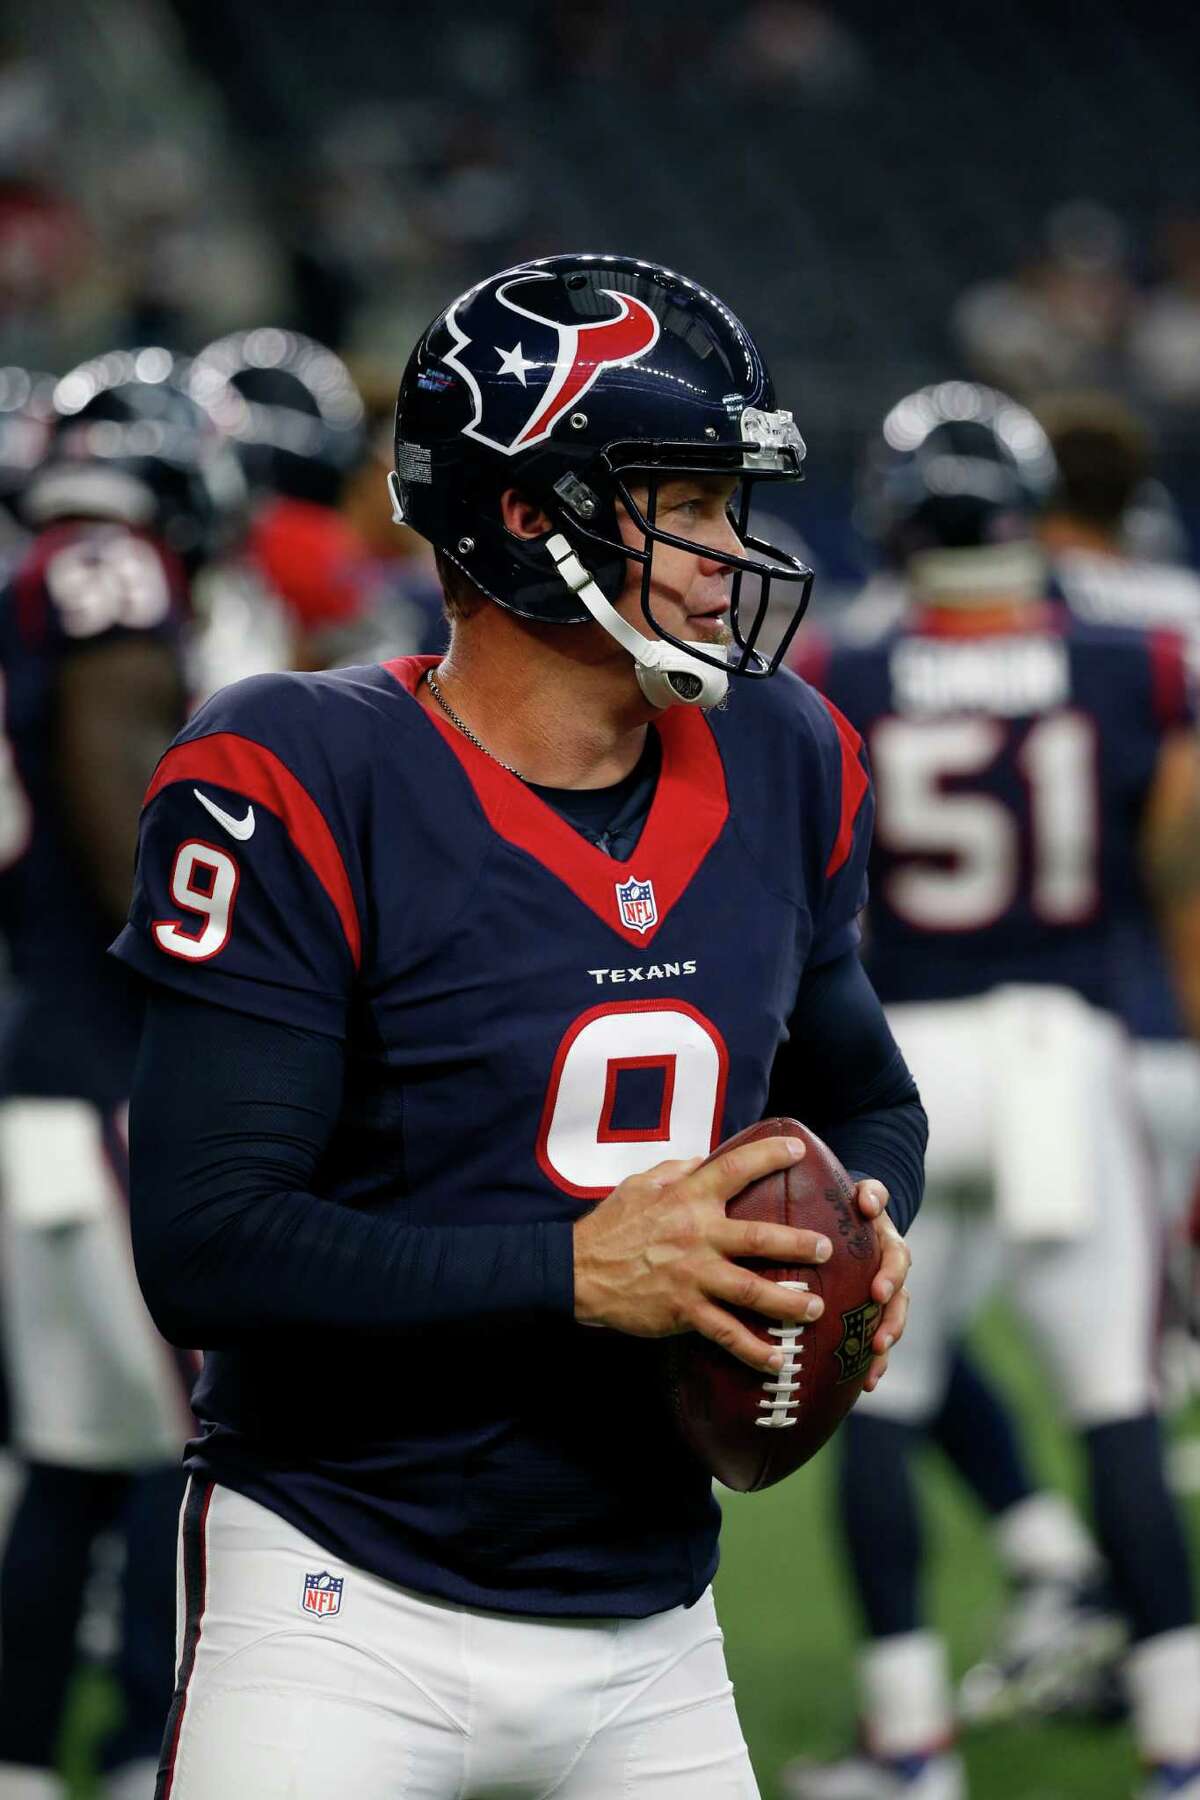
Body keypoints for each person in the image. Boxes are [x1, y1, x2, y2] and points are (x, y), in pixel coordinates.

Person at [112, 253, 923, 1800]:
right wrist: (576, 1272)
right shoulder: (294, 769)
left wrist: (869, 1228)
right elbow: (207, 1242)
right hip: (342, 1596)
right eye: (681, 506)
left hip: (654, 1617)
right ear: (529, 512)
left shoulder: (789, 756)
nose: (724, 556)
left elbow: (870, 1097)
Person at [783, 383, 1200, 1800]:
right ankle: (1180, 1748)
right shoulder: (1131, 661)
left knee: (880, 1406)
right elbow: (1173, 862)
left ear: (897, 520)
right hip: (1071, 1052)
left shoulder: (843, 670)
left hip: (909, 1051)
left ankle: (910, 1748)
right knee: (1117, 1405)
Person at [0, 349, 244, 1800]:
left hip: (40, 1073)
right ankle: (173, 1758)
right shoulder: (107, 574)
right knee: (193, 1461)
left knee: (75, 1466)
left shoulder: (41, 568)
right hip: (108, 1081)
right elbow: (116, 818)